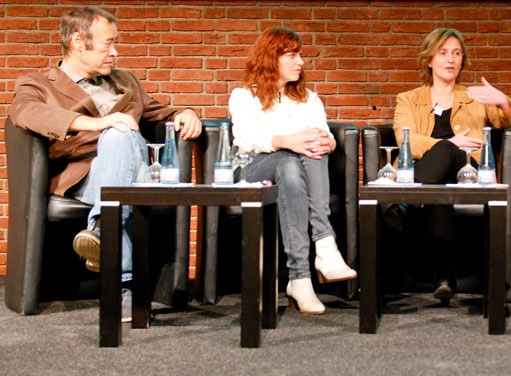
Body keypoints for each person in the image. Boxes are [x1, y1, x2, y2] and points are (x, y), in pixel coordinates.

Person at [9, 6, 202, 322]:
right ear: (77, 41)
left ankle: (102, 230)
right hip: (83, 177)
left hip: (133, 164)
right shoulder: (39, 83)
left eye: (116, 43)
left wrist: (187, 113)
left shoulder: (125, 81)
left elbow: (162, 112)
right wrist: (93, 123)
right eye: (107, 44)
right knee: (117, 137)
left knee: (120, 136)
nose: (115, 52)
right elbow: (25, 113)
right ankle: (122, 277)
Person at [228, 26, 357, 315]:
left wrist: (328, 141)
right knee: (291, 155)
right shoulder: (243, 96)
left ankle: (307, 270)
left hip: (292, 173)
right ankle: (319, 251)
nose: (301, 62)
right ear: (272, 57)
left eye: (301, 56)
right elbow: (246, 139)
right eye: (293, 55)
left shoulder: (308, 98)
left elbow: (322, 134)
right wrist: (289, 141)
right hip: (252, 171)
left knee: (309, 151)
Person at [392, 28, 511, 302]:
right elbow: (407, 141)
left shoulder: (475, 96)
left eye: (456, 53)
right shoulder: (408, 98)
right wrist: (448, 143)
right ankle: (444, 278)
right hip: (431, 175)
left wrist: (503, 102)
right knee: (442, 189)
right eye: (443, 53)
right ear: (429, 60)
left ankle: (403, 206)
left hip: (467, 171)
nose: (451, 59)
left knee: (449, 155)